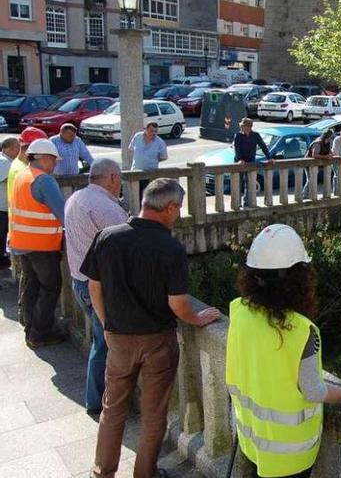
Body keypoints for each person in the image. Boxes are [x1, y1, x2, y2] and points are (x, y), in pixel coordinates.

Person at [82, 178, 221, 478]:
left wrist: (107, 323)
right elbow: (178, 304)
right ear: (169, 207)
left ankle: (102, 472)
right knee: (154, 415)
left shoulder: (107, 236)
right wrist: (197, 319)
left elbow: (94, 287)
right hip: (157, 340)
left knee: (112, 409)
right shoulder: (169, 248)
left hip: (118, 338)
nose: (178, 214)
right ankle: (145, 474)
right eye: (178, 209)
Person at [227, 224, 341, 478]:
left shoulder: (239, 311)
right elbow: (313, 390)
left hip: (251, 439)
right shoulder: (303, 331)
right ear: (299, 280)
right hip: (289, 455)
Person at [64, 159, 128, 416]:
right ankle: (98, 400)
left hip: (79, 280)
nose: (120, 183)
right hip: (99, 286)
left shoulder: (77, 197)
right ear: (112, 177)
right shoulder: (104, 207)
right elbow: (126, 246)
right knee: (104, 342)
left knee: (100, 340)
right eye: (120, 178)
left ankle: (98, 396)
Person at [9, 139, 67, 348]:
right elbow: (63, 213)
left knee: (31, 285)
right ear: (44, 158)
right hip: (42, 245)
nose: (55, 165)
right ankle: (40, 333)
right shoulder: (44, 180)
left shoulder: (22, 175)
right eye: (54, 160)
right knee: (50, 288)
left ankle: (30, 327)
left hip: (22, 243)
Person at [8, 127, 47, 327]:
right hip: (31, 237)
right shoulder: (23, 171)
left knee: (29, 280)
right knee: (37, 283)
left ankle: (27, 319)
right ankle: (32, 322)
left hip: (21, 234)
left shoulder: (17, 167)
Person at [234, 118, 273, 206]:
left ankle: (246, 202)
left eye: (243, 126)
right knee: (237, 184)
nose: (241, 127)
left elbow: (263, 146)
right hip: (240, 163)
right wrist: (240, 159)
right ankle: (237, 203)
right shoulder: (238, 136)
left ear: (248, 127)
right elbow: (237, 149)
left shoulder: (255, 135)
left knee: (250, 183)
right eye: (241, 125)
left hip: (251, 162)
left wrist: (269, 158)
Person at [0, 137, 21, 268]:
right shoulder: (4, 162)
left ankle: (2, 258)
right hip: (1, 207)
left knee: (2, 236)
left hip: (3, 206)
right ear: (12, 148)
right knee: (1, 235)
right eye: (18, 148)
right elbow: (9, 179)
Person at [130, 122, 168, 193]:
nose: (153, 133)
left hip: (150, 173)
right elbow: (131, 149)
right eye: (151, 131)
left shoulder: (160, 142)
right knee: (135, 194)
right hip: (135, 172)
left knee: (148, 195)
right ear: (145, 130)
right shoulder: (137, 137)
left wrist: (151, 160)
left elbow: (164, 157)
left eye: (155, 131)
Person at [302, 129, 335, 199]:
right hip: (309, 163)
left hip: (317, 164)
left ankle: (308, 195)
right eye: (330, 137)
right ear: (327, 136)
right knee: (311, 179)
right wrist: (325, 157)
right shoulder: (318, 142)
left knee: (312, 179)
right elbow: (314, 155)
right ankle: (305, 195)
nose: (331, 138)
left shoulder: (329, 142)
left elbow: (330, 151)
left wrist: (331, 155)